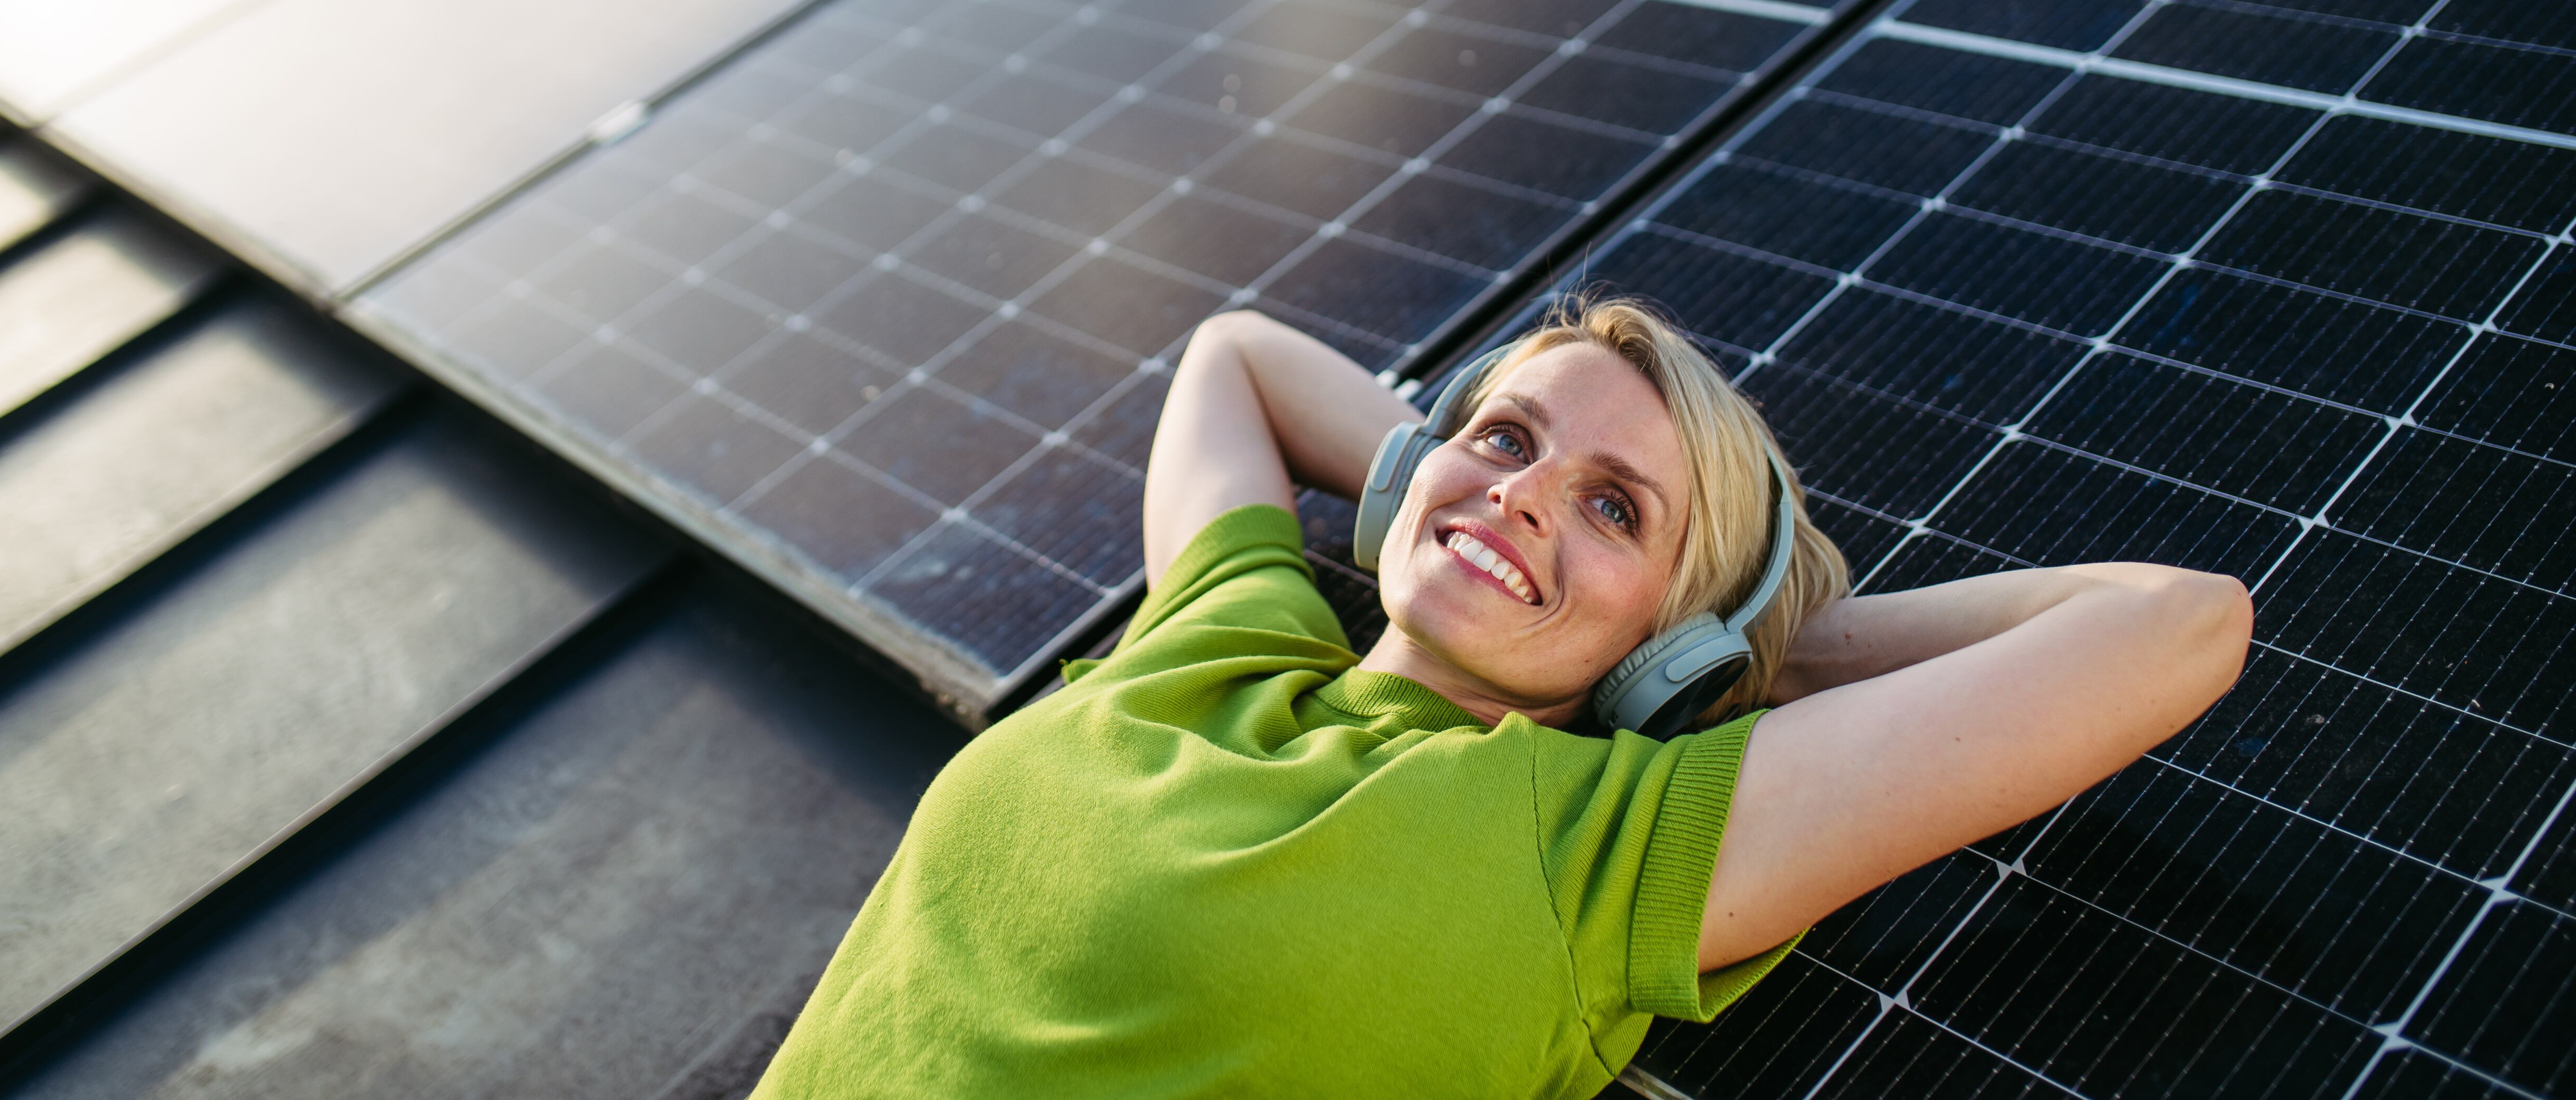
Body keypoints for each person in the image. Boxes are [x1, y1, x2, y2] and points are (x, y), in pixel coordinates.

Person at [752, 294, 2252, 1099]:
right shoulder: (1217, 646)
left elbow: (2180, 625)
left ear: (1671, 639)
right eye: (1508, 437)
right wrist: (1442, 488)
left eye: (1615, 511)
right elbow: (1238, 355)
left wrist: (1755, 651)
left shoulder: (1602, 846)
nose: (1526, 493)